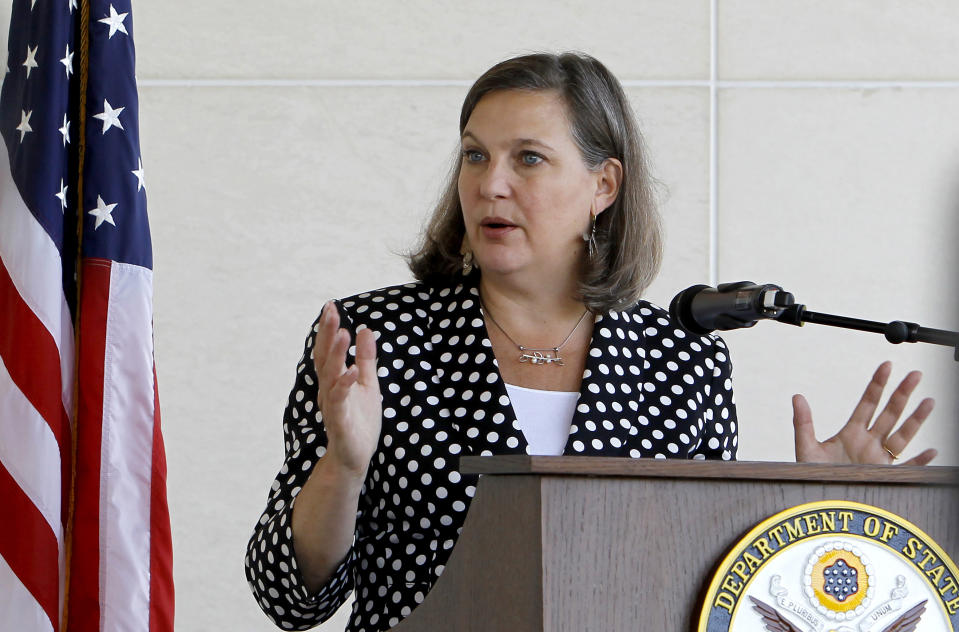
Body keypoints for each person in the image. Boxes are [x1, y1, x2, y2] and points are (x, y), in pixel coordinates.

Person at [244, 52, 936, 632]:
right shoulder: (374, 340)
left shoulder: (681, 358)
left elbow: (705, 592)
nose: (491, 184)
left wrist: (813, 512)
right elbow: (290, 596)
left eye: (529, 159)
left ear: (601, 185)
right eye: (475, 156)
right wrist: (344, 463)